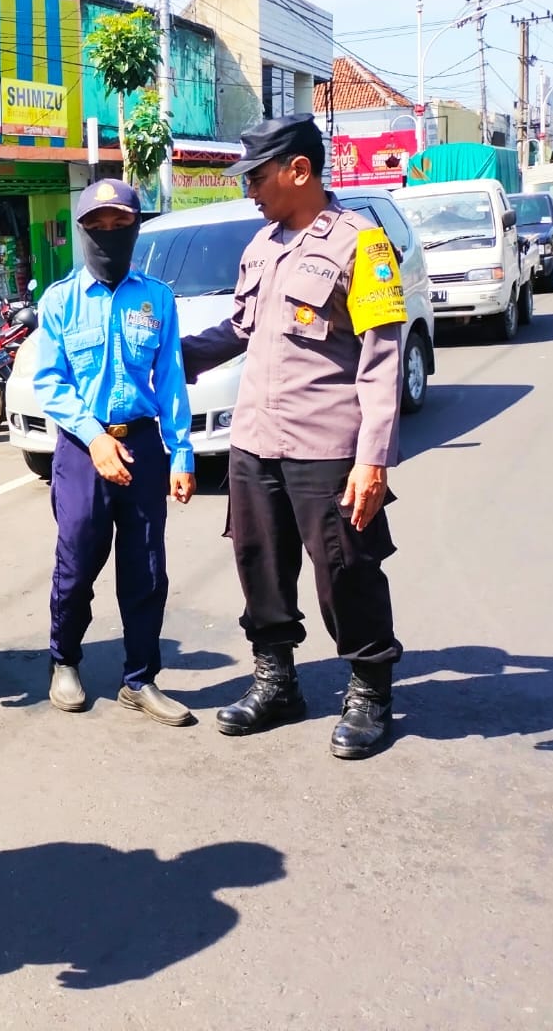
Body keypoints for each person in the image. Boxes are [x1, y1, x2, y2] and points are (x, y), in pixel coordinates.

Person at [181, 113, 406, 760]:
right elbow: (241, 330)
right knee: (259, 563)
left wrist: (373, 460)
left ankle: (369, 690)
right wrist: (174, 356)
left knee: (347, 571)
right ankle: (276, 681)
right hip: (255, 440)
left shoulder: (360, 245)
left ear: (298, 170)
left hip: (327, 446)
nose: (249, 189)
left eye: (256, 176)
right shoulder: (262, 247)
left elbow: (382, 359)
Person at [32, 178, 196, 720]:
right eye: (97, 226)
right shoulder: (59, 301)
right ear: (82, 231)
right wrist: (94, 435)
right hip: (83, 448)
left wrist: (181, 453)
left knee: (146, 568)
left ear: (135, 228)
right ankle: (65, 661)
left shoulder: (157, 298)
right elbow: (51, 383)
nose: (108, 234)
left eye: (119, 224)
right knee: (76, 562)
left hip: (143, 443)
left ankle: (140, 679)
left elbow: (171, 378)